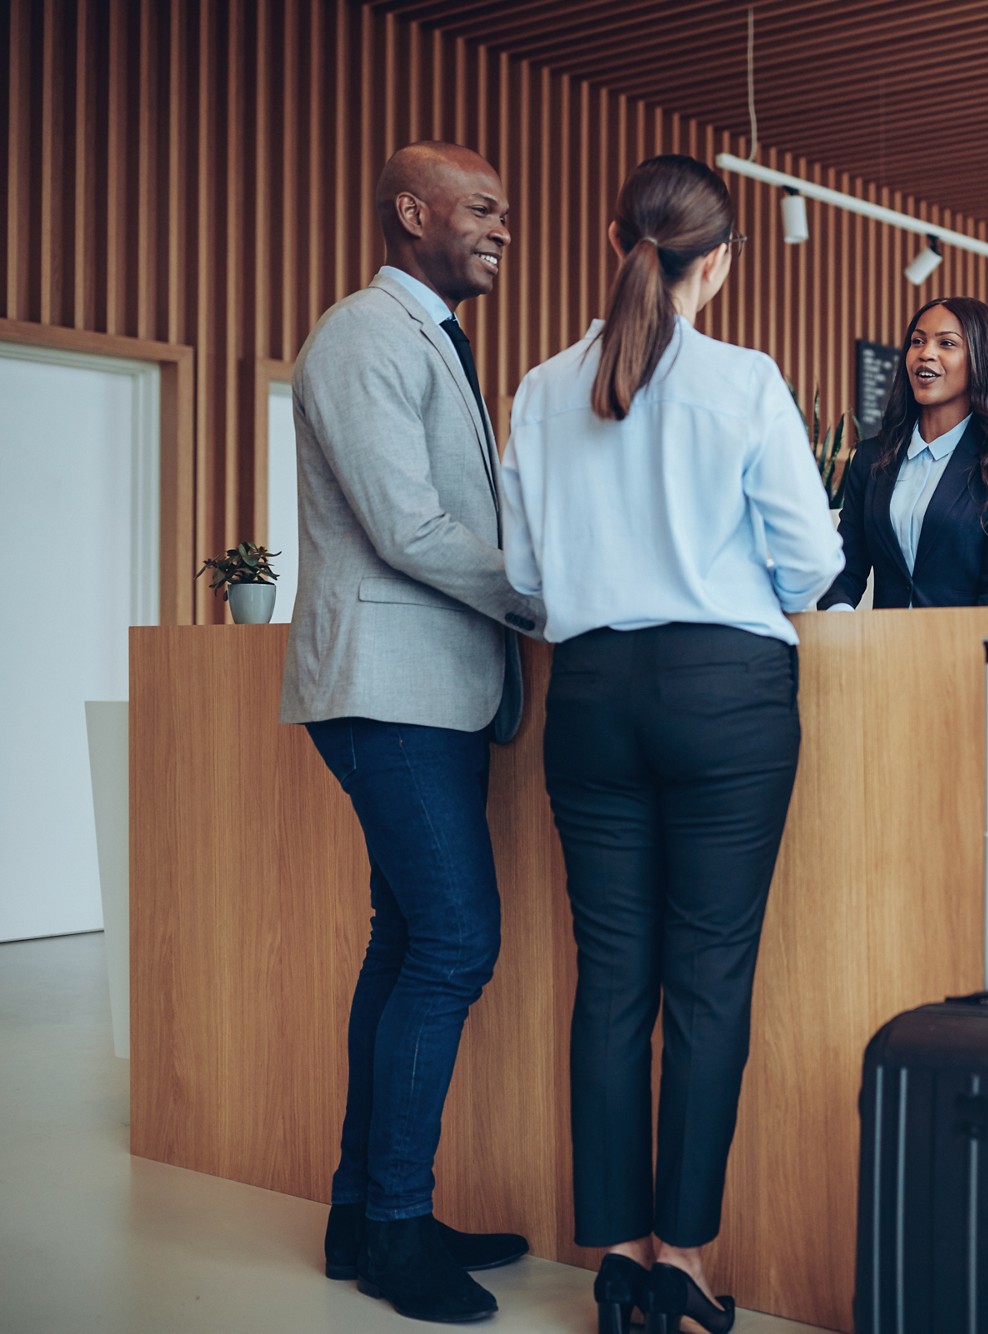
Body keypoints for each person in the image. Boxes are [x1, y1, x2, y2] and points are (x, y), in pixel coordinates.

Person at [500, 154, 842, 1334]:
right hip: (724, 694)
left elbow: (524, 580)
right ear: (722, 263)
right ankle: (682, 1259)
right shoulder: (744, 382)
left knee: (612, 981)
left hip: (589, 694)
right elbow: (809, 564)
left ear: (614, 238)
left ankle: (616, 1260)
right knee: (706, 980)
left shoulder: (540, 388)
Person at [280, 141, 543, 1324]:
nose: (500, 227)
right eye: (481, 208)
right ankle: (394, 1229)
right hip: (388, 693)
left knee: (403, 946)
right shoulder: (364, 335)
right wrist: (541, 592)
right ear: (410, 211)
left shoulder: (423, 335)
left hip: (426, 693)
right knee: (452, 946)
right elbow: (405, 524)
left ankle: (362, 1215)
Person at [819, 295, 988, 609]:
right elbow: (845, 568)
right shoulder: (872, 458)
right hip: (880, 649)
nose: (926, 354)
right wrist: (840, 618)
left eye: (947, 344)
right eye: (917, 341)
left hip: (961, 650)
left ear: (982, 358)